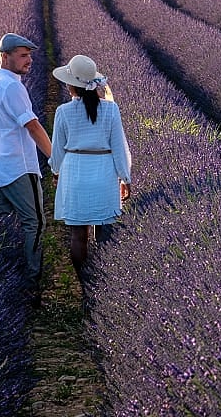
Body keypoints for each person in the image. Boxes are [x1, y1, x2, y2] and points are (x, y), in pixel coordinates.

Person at [0, 33, 52, 307]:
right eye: (22, 55)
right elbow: (32, 125)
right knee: (35, 222)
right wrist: (55, 157)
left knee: (7, 227)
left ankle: (3, 283)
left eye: (29, 55)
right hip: (19, 168)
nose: (29, 60)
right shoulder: (11, 87)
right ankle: (31, 286)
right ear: (4, 56)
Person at [49, 54, 132, 290]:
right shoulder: (110, 109)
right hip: (104, 174)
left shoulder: (63, 112)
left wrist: (56, 173)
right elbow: (119, 146)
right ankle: (103, 287)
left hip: (74, 173)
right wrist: (125, 178)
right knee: (104, 232)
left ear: (70, 85)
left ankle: (85, 285)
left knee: (78, 236)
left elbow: (57, 152)